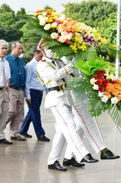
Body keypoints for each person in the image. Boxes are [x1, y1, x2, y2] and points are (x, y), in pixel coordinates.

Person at [37, 42, 97, 171]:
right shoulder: (42, 64)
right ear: (42, 49)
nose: (51, 50)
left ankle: (53, 160)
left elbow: (70, 76)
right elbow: (56, 75)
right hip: (55, 98)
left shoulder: (58, 61)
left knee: (62, 131)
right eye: (48, 48)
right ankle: (82, 153)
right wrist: (69, 67)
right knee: (69, 125)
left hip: (67, 97)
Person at [63, 62, 119, 162]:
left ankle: (69, 157)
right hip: (74, 96)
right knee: (87, 122)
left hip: (82, 94)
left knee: (80, 126)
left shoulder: (80, 54)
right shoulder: (65, 57)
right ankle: (102, 150)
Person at [19, 47, 50, 142]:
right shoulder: (30, 66)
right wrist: (27, 96)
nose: (41, 58)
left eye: (42, 56)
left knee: (32, 112)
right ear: (35, 54)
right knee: (36, 113)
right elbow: (27, 81)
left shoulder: (43, 64)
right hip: (32, 92)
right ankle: (40, 134)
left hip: (39, 92)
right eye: (40, 56)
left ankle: (23, 130)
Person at [5, 41, 26, 141]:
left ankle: (15, 133)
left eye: (21, 49)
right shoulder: (7, 60)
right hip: (11, 88)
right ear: (13, 48)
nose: (21, 51)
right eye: (19, 48)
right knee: (11, 110)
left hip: (21, 89)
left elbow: (23, 74)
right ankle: (1, 127)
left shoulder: (21, 61)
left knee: (19, 112)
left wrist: (25, 89)